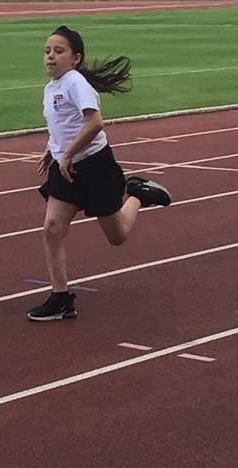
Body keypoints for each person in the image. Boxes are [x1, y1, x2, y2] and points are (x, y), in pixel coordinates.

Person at [27, 24, 172, 322]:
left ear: (75, 58)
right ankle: (61, 298)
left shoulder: (75, 83)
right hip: (65, 169)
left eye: (58, 51)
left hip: (94, 165)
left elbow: (95, 123)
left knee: (117, 236)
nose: (50, 56)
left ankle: (137, 194)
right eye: (47, 51)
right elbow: (61, 125)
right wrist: (51, 150)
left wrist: (68, 153)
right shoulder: (50, 88)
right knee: (52, 228)